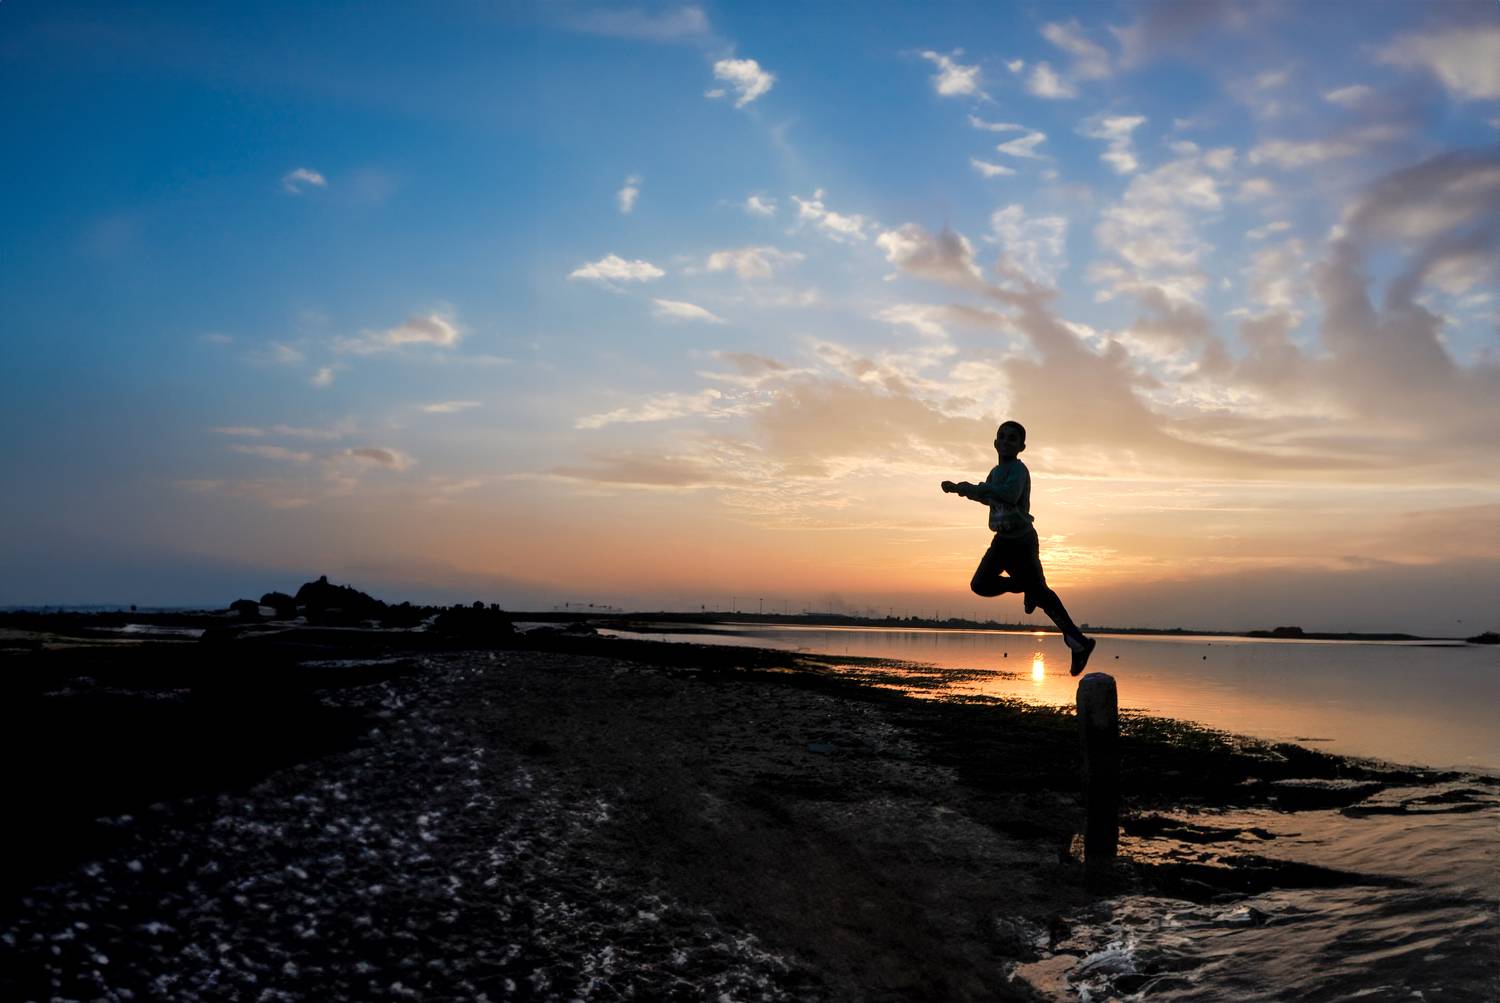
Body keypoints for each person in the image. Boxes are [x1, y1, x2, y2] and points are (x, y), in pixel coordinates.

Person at [942, 420, 1097, 675]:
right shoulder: (995, 472)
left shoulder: (1018, 470)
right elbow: (987, 496)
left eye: (1012, 438)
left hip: (1022, 541)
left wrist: (978, 488)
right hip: (1001, 542)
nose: (1005, 441)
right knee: (980, 584)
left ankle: (1078, 642)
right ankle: (1026, 588)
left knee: (1042, 594)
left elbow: (1008, 495)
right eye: (1002, 437)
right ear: (995, 443)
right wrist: (960, 489)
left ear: (1021, 447)